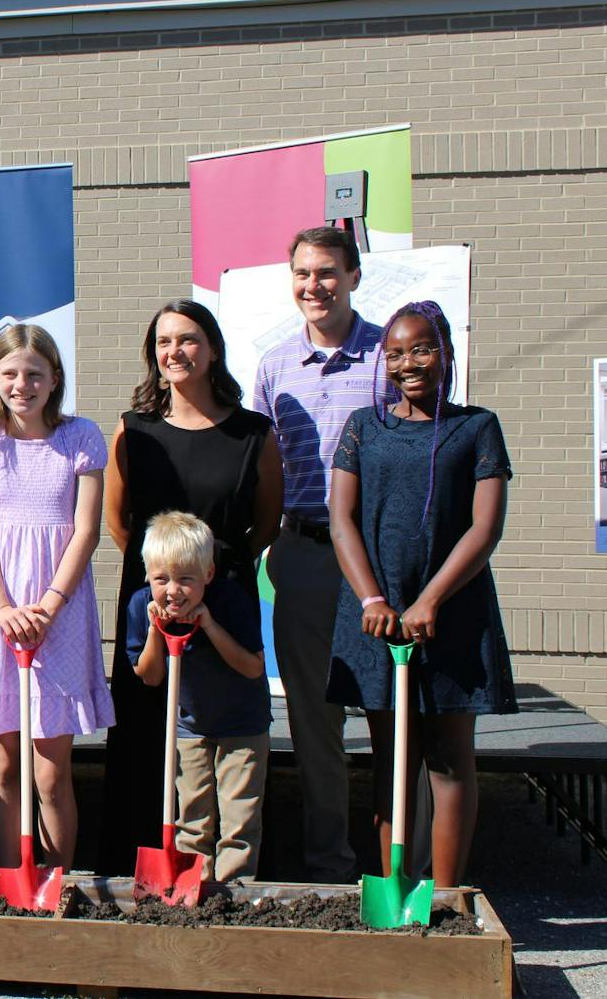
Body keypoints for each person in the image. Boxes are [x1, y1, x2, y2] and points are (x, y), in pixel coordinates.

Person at [328, 301, 515, 887]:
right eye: (395, 353)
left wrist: (431, 600)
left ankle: (449, 895)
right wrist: (372, 600)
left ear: (446, 353)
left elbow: (484, 528)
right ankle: (397, 890)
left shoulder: (477, 427)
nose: (407, 363)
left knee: (451, 760)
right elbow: (341, 519)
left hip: (453, 614)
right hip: (379, 619)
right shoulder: (364, 426)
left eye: (421, 349)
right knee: (394, 761)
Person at [102, 299, 281, 873]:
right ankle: (142, 861)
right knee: (147, 724)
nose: (174, 351)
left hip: (222, 593)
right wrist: (165, 580)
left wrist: (213, 576)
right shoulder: (134, 430)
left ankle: (226, 867)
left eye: (187, 339)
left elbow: (266, 523)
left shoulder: (253, 433)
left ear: (213, 349)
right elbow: (118, 522)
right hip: (154, 597)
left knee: (223, 730)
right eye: (163, 342)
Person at [251, 227, 394, 882]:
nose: (315, 285)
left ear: (354, 276)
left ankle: (405, 866)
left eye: (328, 272)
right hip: (305, 555)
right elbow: (265, 468)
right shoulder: (275, 365)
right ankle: (329, 868)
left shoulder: (389, 357)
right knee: (315, 723)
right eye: (303, 273)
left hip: (379, 560)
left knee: (392, 717)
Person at [0, 324, 112, 872]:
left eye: (35, 374)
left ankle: (55, 880)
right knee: (3, 766)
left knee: (51, 771)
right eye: (11, 373)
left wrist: (49, 605)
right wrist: (2, 609)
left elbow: (85, 531)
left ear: (55, 378)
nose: (22, 385)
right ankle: (11, 882)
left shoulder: (81, 436)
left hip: (58, 612)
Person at [125, 511, 271, 883]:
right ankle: (193, 888)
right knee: (191, 817)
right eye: (161, 579)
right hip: (189, 726)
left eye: (186, 580)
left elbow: (253, 667)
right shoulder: (142, 605)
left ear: (208, 574)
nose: (173, 591)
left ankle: (235, 890)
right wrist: (156, 631)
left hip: (242, 724)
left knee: (239, 819)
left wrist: (209, 625)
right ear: (147, 575)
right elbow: (151, 676)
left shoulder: (231, 600)